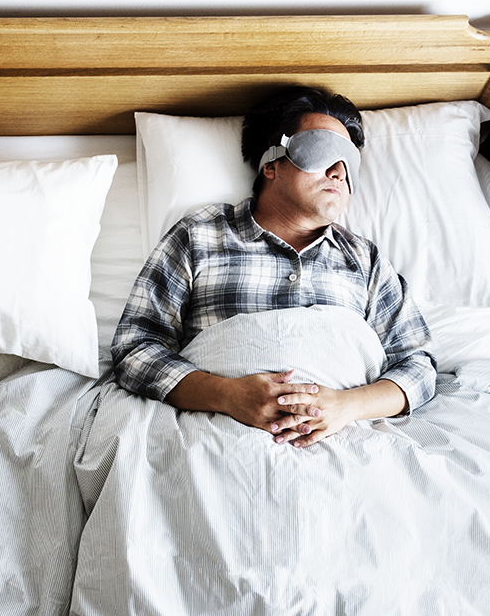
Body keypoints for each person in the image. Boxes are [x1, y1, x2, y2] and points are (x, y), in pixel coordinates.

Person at [110, 86, 437, 448]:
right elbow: (135, 348)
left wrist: (346, 406)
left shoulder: (365, 260)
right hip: (217, 441)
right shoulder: (200, 235)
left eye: (350, 162)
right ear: (271, 163)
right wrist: (226, 394)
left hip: (348, 443)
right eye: (323, 152)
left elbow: (418, 366)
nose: (339, 171)